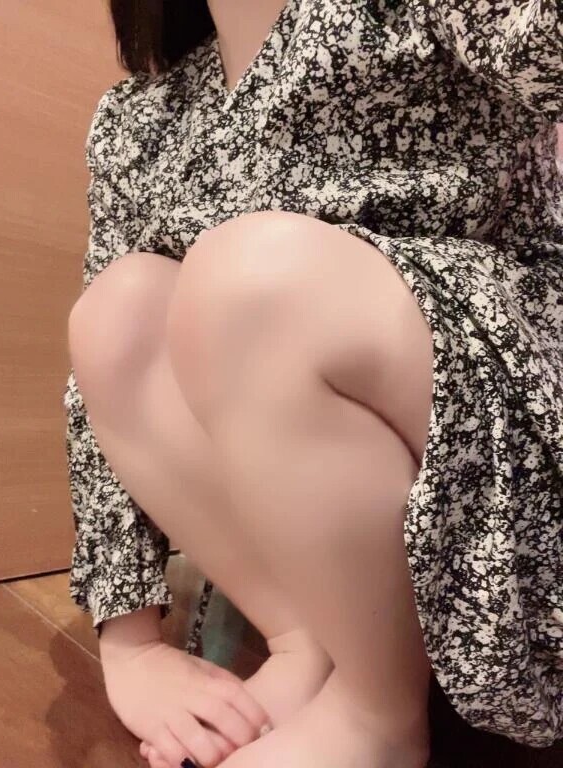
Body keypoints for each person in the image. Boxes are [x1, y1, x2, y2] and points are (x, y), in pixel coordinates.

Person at [64, 1, 563, 767]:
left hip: (512, 401)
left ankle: (376, 712)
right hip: (343, 466)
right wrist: (130, 644)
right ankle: (311, 644)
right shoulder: (141, 117)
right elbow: (97, 391)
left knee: (249, 280)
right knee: (115, 314)